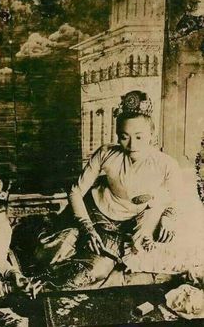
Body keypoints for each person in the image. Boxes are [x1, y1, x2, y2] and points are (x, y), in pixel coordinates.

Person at [51, 90, 204, 289]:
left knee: (172, 257)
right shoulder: (106, 153)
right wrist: (86, 227)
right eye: (124, 137)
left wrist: (168, 216)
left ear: (152, 134)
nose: (132, 144)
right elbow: (75, 191)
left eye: (139, 137)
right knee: (87, 270)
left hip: (138, 219)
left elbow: (177, 198)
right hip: (99, 214)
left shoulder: (166, 164)